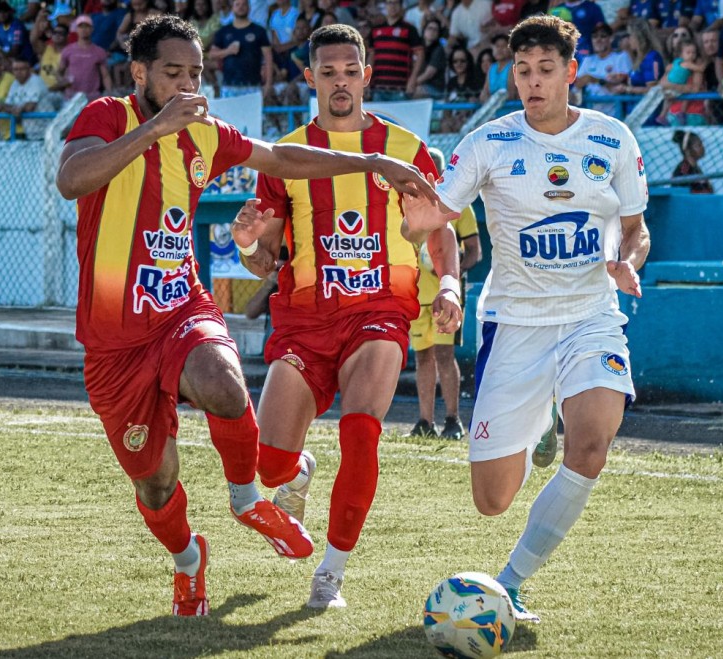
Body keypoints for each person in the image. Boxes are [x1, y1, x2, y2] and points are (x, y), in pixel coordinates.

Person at [53, 14, 440, 618]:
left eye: (196, 74)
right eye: (172, 73)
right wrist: (155, 128)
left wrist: (369, 165)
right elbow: (72, 179)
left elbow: (282, 158)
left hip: (182, 306)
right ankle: (188, 561)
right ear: (139, 73)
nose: (187, 86)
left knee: (224, 384)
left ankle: (247, 500)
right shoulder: (108, 115)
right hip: (113, 340)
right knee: (155, 484)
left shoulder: (206, 131)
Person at [403, 14, 650, 623]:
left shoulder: (614, 138)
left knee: (592, 443)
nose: (533, 82)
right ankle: (539, 421)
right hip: (514, 324)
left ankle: (510, 583)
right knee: (492, 500)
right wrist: (411, 213)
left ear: (572, 72)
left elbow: (636, 227)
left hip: (591, 314)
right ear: (511, 75)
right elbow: (429, 218)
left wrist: (625, 261)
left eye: (545, 70)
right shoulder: (489, 142)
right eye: (523, 71)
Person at [227, 23, 461, 609]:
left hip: (379, 313)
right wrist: (249, 245)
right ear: (309, 77)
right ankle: (297, 472)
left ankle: (330, 573)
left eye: (350, 71)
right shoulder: (285, 155)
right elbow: (265, 263)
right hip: (304, 322)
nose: (340, 82)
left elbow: (440, 232)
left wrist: (451, 284)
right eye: (327, 72)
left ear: (366, 74)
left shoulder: (406, 149)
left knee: (361, 434)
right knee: (268, 463)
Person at [410, 146, 481, 440]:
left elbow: (475, 251)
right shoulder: (408, 203)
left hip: (444, 294)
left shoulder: (458, 204)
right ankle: (425, 421)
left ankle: (453, 419)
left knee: (443, 353)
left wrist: (450, 275)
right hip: (415, 294)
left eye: (432, 171)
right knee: (422, 356)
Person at [208, 0, 273, 98]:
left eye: (244, 4)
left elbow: (268, 58)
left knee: (251, 113)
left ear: (249, 7)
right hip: (229, 86)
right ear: (232, 8)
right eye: (237, 4)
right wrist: (228, 51)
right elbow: (212, 54)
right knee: (228, 114)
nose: (241, 7)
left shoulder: (259, 31)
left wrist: (268, 84)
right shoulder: (224, 31)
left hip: (253, 85)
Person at [368, 0, 424, 101]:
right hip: (378, 87)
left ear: (401, 6)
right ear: (385, 6)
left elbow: (420, 55)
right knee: (378, 117)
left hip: (401, 88)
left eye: (395, 3)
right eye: (389, 3)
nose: (392, 6)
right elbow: (371, 57)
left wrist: (413, 79)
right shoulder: (375, 30)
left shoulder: (410, 29)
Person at [574, 22, 631, 115]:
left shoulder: (621, 57)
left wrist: (594, 79)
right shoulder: (588, 60)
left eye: (603, 36)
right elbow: (577, 83)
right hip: (591, 113)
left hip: (615, 113)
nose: (598, 40)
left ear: (611, 39)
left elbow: (626, 83)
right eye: (595, 37)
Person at [60, 15, 114, 101]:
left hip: (92, 97)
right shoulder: (68, 50)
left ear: (92, 29)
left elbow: (106, 76)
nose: (84, 29)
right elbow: (59, 71)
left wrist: (110, 93)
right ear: (76, 29)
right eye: (81, 26)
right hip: (71, 97)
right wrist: (63, 81)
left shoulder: (99, 51)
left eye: (87, 26)